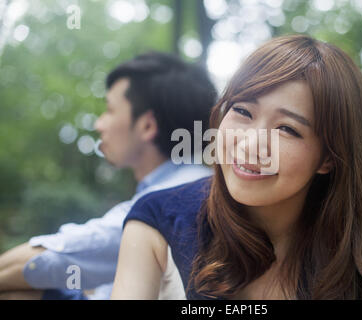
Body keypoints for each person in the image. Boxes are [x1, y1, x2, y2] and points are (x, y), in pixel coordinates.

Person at [111, 35, 362, 300]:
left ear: (328, 158)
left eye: (287, 129)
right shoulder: (157, 222)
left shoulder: (361, 256)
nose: (250, 144)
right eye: (242, 111)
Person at [0, 51, 217, 299]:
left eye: (110, 110)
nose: (99, 124)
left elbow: (62, 256)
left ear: (147, 125)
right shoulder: (183, 184)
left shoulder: (179, 196)